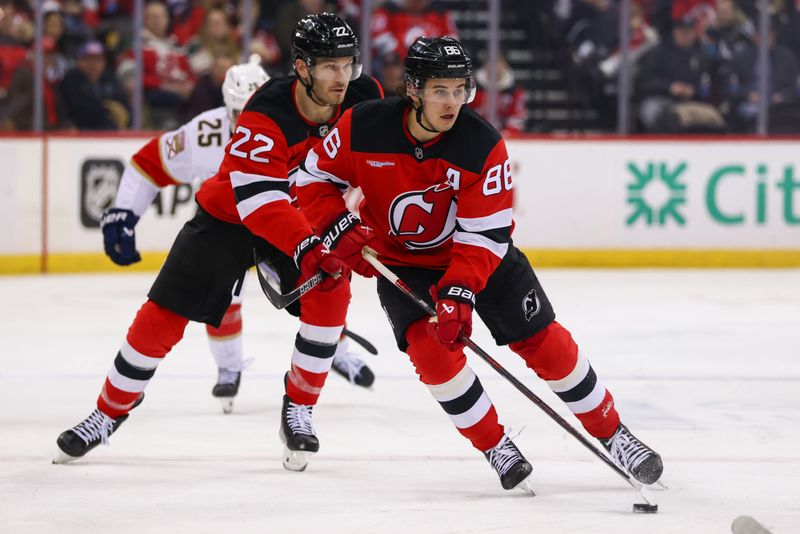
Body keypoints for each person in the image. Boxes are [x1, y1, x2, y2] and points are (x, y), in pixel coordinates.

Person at [291, 36, 664, 491]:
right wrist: (334, 225)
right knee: (431, 353)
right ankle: (495, 444)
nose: (453, 102)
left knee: (545, 343)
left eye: (460, 90)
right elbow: (312, 179)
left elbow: (483, 236)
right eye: (440, 91)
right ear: (414, 90)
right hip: (403, 264)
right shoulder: (363, 127)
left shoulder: (482, 145)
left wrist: (458, 291)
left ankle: (614, 433)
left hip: (481, 259)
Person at [54, 13, 384, 464]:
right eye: (329, 65)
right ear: (302, 68)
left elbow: (377, 166)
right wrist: (309, 246)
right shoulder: (265, 111)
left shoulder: (364, 99)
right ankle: (108, 412)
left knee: (332, 292)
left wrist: (359, 221)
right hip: (230, 215)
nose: (341, 76)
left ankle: (300, 410)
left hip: (297, 213)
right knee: (164, 314)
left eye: (347, 64)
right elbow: (259, 204)